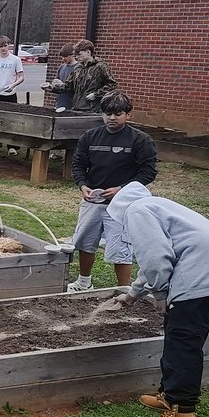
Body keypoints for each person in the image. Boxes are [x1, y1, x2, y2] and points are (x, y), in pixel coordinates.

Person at [103, 182, 209, 417]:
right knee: (184, 336)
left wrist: (160, 294)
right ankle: (170, 396)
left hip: (201, 275)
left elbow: (156, 258)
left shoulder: (136, 212)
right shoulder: (154, 205)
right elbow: (158, 255)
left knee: (182, 342)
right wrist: (133, 295)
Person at [66, 90, 157, 292]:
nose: (112, 118)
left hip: (123, 205)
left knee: (121, 248)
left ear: (128, 115)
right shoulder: (90, 137)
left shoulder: (140, 140)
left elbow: (148, 172)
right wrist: (83, 186)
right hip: (92, 201)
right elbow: (78, 165)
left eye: (117, 114)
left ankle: (125, 290)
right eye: (107, 113)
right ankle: (83, 283)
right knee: (85, 242)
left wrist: (121, 189)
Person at [42, 39, 116, 112]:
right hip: (77, 108)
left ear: (88, 52)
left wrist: (96, 94)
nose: (77, 57)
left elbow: (112, 84)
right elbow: (68, 86)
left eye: (79, 54)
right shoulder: (78, 68)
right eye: (75, 55)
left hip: (94, 110)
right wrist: (52, 88)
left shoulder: (101, 66)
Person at [52, 43, 77, 111]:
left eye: (65, 56)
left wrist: (62, 84)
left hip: (71, 105)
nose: (63, 59)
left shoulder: (78, 68)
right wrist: (50, 87)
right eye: (62, 57)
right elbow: (56, 86)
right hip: (59, 104)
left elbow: (77, 88)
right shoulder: (61, 67)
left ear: (72, 55)